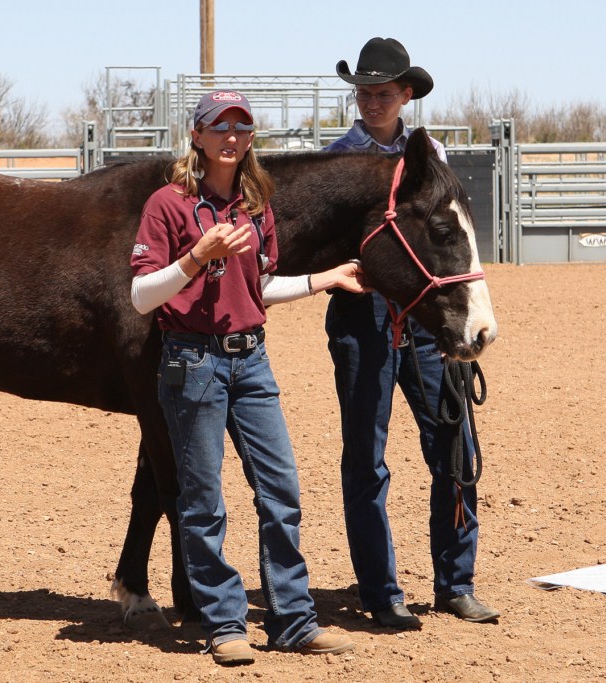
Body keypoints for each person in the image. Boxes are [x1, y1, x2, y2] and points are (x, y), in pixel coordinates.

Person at [130, 89, 363, 666]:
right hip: (192, 362)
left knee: (281, 491)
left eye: (242, 128)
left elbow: (258, 288)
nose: (231, 137)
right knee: (204, 500)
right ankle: (224, 623)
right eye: (219, 127)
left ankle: (292, 620)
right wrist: (195, 257)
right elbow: (140, 297)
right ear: (197, 137)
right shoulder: (167, 204)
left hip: (251, 360)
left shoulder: (256, 205)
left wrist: (323, 278)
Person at [323, 37, 500, 630]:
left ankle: (457, 582)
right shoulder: (338, 160)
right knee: (366, 460)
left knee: (453, 447)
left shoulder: (432, 157)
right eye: (365, 93)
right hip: (363, 319)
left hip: (426, 321)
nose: (373, 102)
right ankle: (382, 591)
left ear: (406, 95)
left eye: (384, 93)